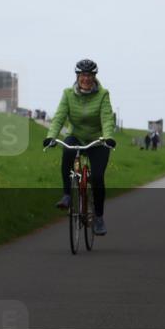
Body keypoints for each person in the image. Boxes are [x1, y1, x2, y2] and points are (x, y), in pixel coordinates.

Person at [44, 59, 117, 236]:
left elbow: (107, 118)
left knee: (98, 178)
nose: (86, 78)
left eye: (90, 75)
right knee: (67, 152)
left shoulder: (103, 94)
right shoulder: (68, 93)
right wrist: (51, 137)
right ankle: (67, 195)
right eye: (83, 75)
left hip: (97, 140)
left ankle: (98, 218)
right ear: (77, 76)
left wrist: (108, 137)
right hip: (76, 135)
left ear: (94, 76)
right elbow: (60, 116)